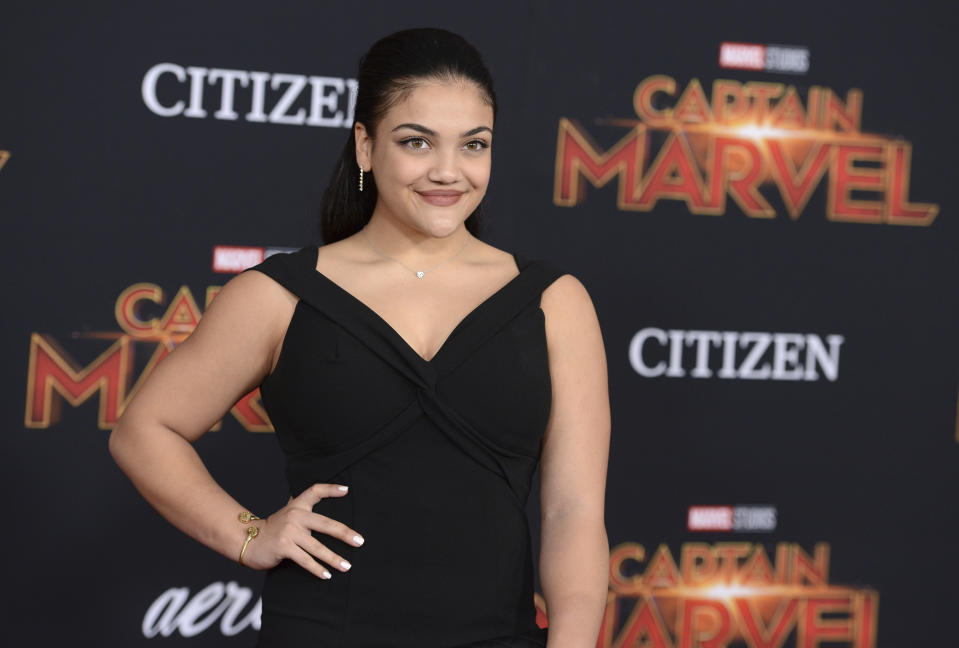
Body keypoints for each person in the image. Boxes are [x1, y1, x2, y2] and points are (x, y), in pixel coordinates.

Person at [110, 27, 610, 648]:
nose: (448, 171)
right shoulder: (278, 294)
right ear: (365, 147)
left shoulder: (554, 302)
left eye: (473, 144)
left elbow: (574, 514)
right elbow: (144, 430)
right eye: (417, 142)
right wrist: (246, 533)